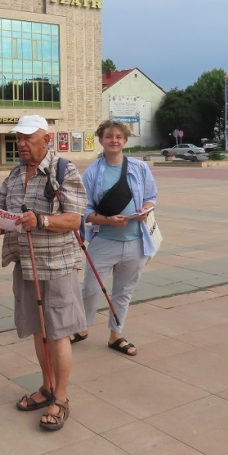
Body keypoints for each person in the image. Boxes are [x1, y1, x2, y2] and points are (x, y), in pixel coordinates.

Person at [0, 115, 87, 431]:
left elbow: (75, 219)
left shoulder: (64, 170)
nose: (21, 144)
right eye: (18, 139)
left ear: (46, 140)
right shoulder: (14, 174)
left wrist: (42, 221)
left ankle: (60, 397)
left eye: (27, 138)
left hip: (57, 266)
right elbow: (1, 212)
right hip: (26, 264)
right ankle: (47, 386)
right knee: (38, 329)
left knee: (58, 332)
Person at [74, 120, 157, 356]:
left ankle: (115, 335)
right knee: (90, 288)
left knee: (123, 291)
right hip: (104, 241)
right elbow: (84, 210)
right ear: (101, 140)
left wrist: (145, 211)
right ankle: (82, 328)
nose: (114, 140)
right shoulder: (92, 173)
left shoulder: (139, 168)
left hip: (135, 241)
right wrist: (108, 220)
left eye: (119, 136)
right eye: (109, 136)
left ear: (125, 140)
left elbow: (151, 197)